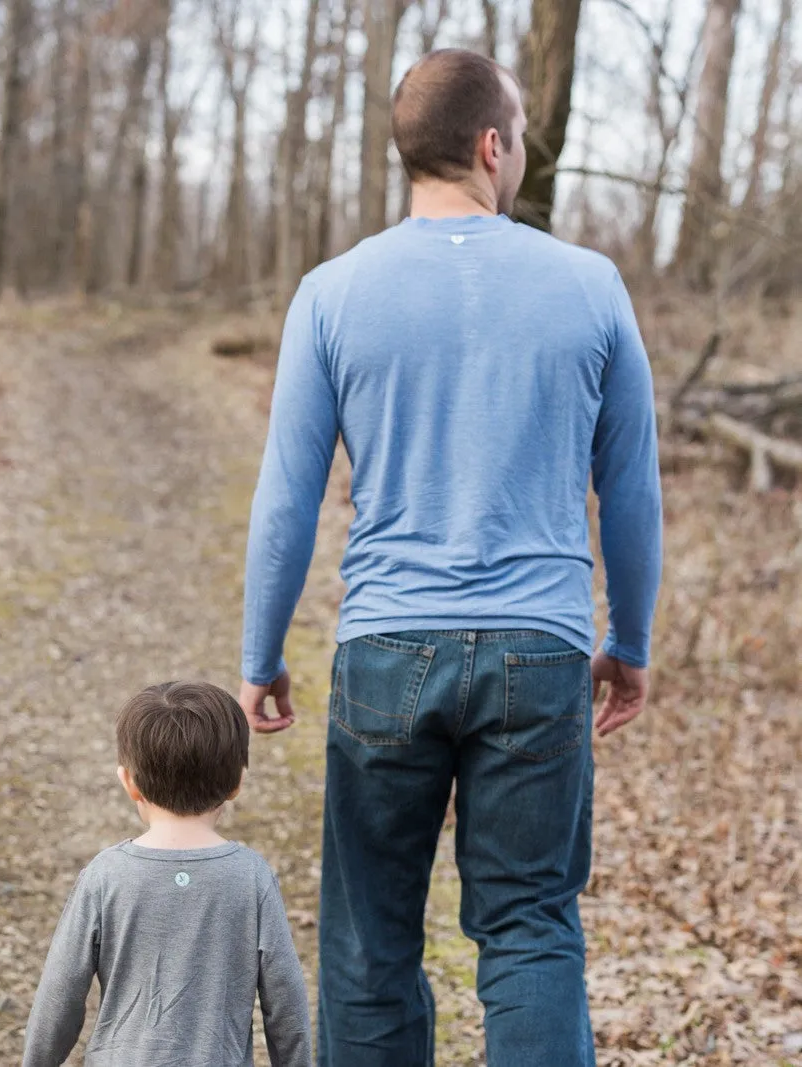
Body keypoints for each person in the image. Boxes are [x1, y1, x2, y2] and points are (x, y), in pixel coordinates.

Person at [239, 48, 662, 1067]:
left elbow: (287, 496)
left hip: (387, 649)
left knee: (368, 939)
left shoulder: (331, 292)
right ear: (490, 146)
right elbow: (633, 490)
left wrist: (260, 654)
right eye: (519, 136)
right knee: (527, 927)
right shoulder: (589, 286)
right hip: (540, 649)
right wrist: (628, 639)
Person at [22, 681, 313, 1067]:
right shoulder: (251, 878)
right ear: (238, 783)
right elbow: (285, 1000)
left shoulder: (105, 876)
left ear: (129, 783)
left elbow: (61, 991)